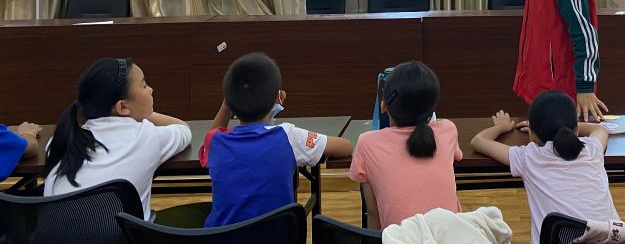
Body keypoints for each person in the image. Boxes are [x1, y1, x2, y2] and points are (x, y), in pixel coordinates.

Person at [201, 52, 352, 227]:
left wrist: (227, 103)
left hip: (222, 238)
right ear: (276, 98)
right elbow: (345, 147)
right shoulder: (288, 135)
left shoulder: (216, 141)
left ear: (230, 99)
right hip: (278, 237)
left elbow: (211, 135)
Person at [44, 58, 191, 220]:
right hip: (124, 234)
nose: (151, 90)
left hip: (49, 234)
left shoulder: (60, 141)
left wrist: (133, 111)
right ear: (122, 107)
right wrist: (143, 114)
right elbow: (183, 129)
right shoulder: (145, 136)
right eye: (144, 85)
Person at [471, 90, 617, 244]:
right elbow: (600, 129)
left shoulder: (528, 157)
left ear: (532, 135)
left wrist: (501, 127)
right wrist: (565, 127)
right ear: (577, 130)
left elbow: (478, 141)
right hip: (615, 239)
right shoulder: (592, 149)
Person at [349, 60, 462, 230]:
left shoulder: (367, 143)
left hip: (399, 239)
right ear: (432, 106)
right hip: (451, 236)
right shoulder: (448, 130)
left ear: (383, 105)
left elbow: (373, 214)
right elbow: (457, 156)